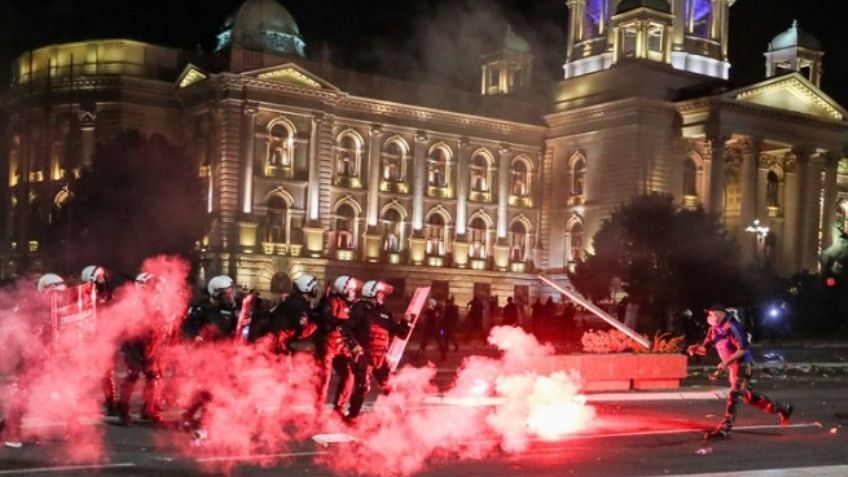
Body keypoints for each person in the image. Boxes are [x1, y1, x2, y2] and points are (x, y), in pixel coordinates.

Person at [687, 304, 793, 440]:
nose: (709, 317)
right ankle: (782, 408)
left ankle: (726, 429)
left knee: (734, 394)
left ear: (719, 314)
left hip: (742, 364)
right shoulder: (713, 330)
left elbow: (743, 348)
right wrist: (695, 349)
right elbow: (705, 349)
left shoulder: (733, 326)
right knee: (749, 398)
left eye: (711, 314)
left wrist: (726, 362)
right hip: (732, 366)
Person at [1, 274, 64, 448]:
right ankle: (11, 432)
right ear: (45, 290)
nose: (58, 297)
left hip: (50, 358)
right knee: (23, 397)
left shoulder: (57, 309)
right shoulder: (31, 309)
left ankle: (80, 436)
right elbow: (23, 337)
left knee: (66, 394)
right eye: (54, 292)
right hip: (31, 360)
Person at [180, 275, 238, 435]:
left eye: (229, 292)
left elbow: (234, 331)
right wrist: (196, 337)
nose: (229, 296)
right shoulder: (201, 309)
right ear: (215, 293)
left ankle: (199, 417)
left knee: (215, 390)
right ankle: (194, 418)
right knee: (208, 389)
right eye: (225, 293)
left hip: (224, 355)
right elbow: (188, 328)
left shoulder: (231, 310)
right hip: (205, 356)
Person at [346, 280, 410, 422]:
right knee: (362, 386)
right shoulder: (360, 309)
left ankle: (398, 414)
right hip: (364, 354)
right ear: (372, 294)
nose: (383, 296)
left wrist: (405, 323)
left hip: (380, 355)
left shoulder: (385, 311)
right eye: (380, 293)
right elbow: (347, 328)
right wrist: (354, 345)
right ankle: (352, 416)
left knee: (388, 384)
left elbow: (396, 332)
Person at [116, 273, 168, 425]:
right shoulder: (132, 303)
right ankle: (124, 411)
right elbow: (126, 328)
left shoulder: (157, 301)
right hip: (134, 344)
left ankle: (149, 410)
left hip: (152, 343)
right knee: (133, 375)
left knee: (153, 376)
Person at [315, 275, 362, 416]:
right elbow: (326, 316)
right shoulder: (332, 301)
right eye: (352, 290)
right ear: (344, 289)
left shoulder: (351, 305)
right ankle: (319, 408)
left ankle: (339, 407)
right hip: (328, 342)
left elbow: (352, 326)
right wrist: (339, 322)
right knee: (325, 376)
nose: (354, 293)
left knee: (349, 373)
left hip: (342, 343)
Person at [81, 265, 119, 416]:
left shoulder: (105, 295)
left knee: (106, 373)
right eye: (99, 277)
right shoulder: (83, 297)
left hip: (102, 338)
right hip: (88, 339)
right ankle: (77, 404)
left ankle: (111, 404)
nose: (102, 280)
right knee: (85, 373)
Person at [263, 274, 319, 354]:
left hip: (282, 340)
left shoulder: (299, 301)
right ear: (306, 289)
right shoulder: (296, 303)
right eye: (314, 287)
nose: (316, 290)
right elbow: (300, 326)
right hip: (279, 341)